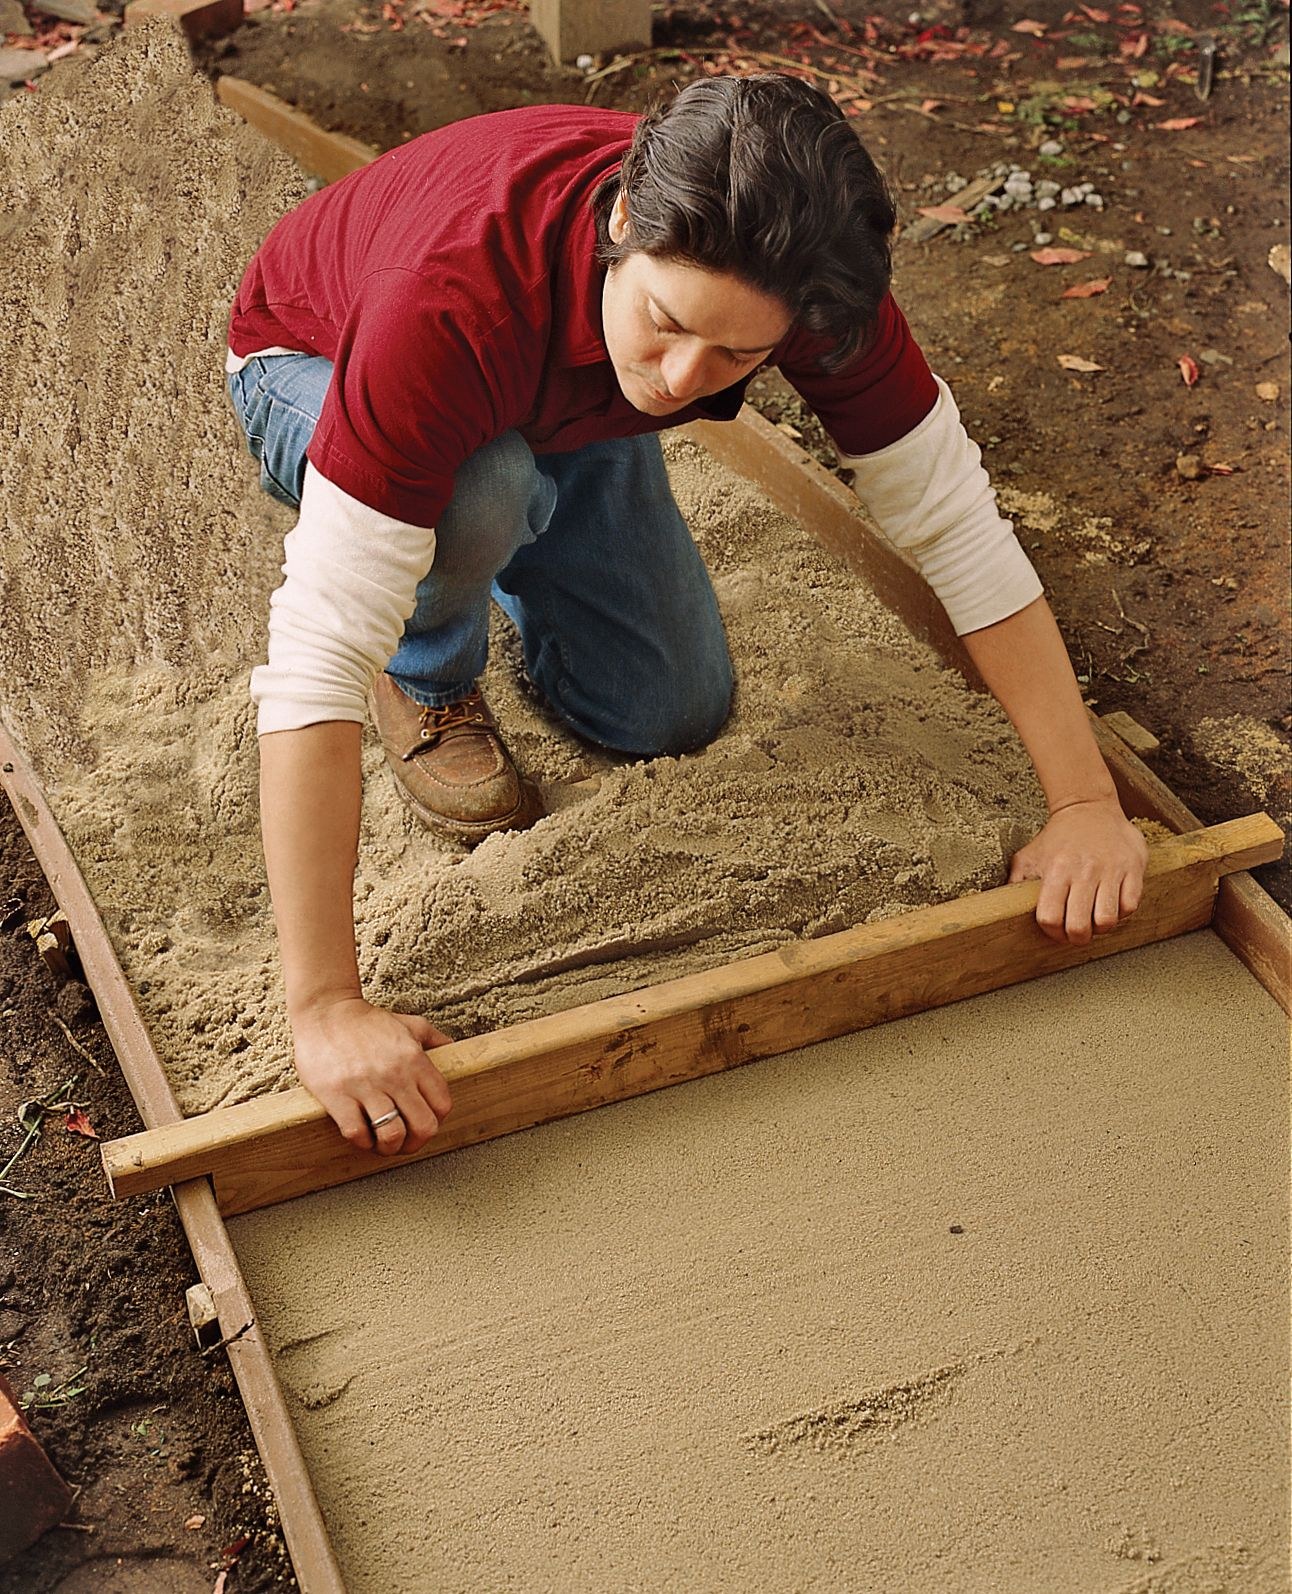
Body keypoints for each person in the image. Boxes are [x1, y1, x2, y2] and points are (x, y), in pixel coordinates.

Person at [225, 73, 1147, 1161]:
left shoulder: (802, 279)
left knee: (667, 709)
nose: (677, 380)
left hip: (561, 381)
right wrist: (325, 1005)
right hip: (309, 360)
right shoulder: (442, 301)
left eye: (732, 357)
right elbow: (313, 660)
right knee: (481, 492)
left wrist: (1084, 798)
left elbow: (954, 526)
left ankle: (532, 498)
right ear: (623, 220)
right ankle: (427, 668)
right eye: (667, 323)